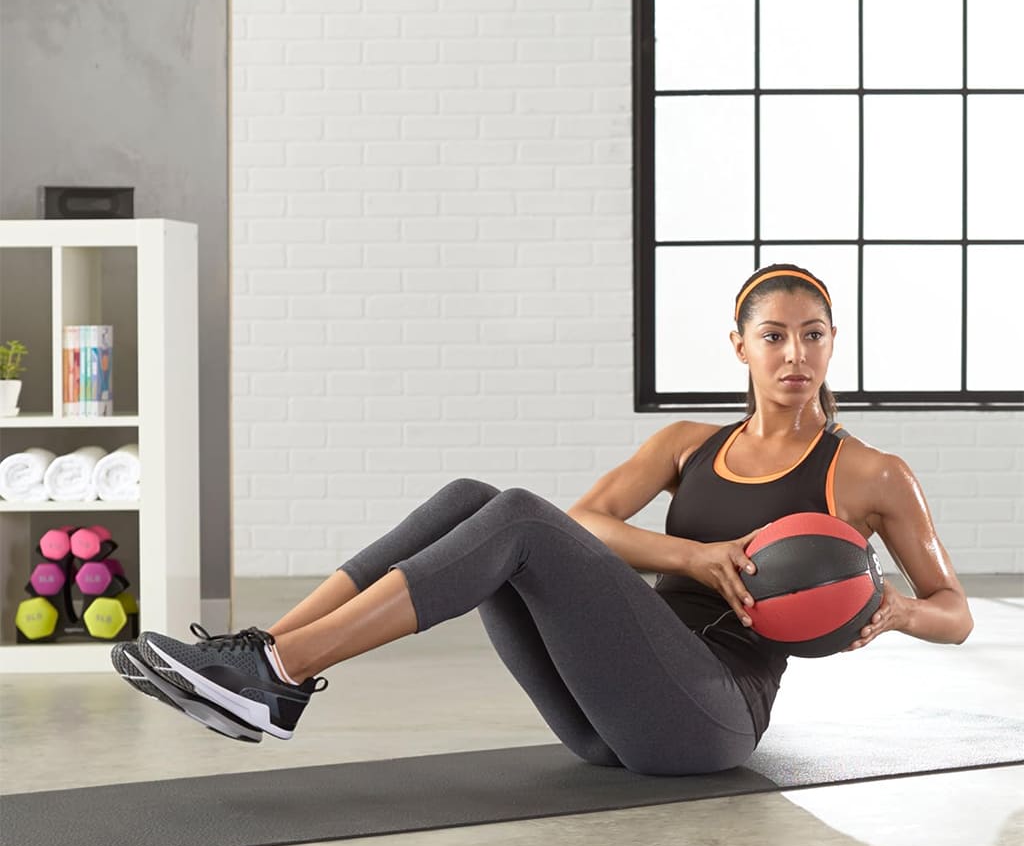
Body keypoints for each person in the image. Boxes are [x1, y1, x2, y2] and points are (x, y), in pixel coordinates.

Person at [111, 263, 974, 775]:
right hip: (609, 714)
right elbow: (587, 521)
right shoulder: (684, 444)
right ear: (740, 347)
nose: (796, 355)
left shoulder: (870, 471)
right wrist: (694, 552)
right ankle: (260, 660)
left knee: (517, 519)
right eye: (776, 336)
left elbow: (956, 612)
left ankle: (278, 672)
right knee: (470, 500)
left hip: (711, 717)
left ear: (833, 343)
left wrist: (897, 609)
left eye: (814, 335)